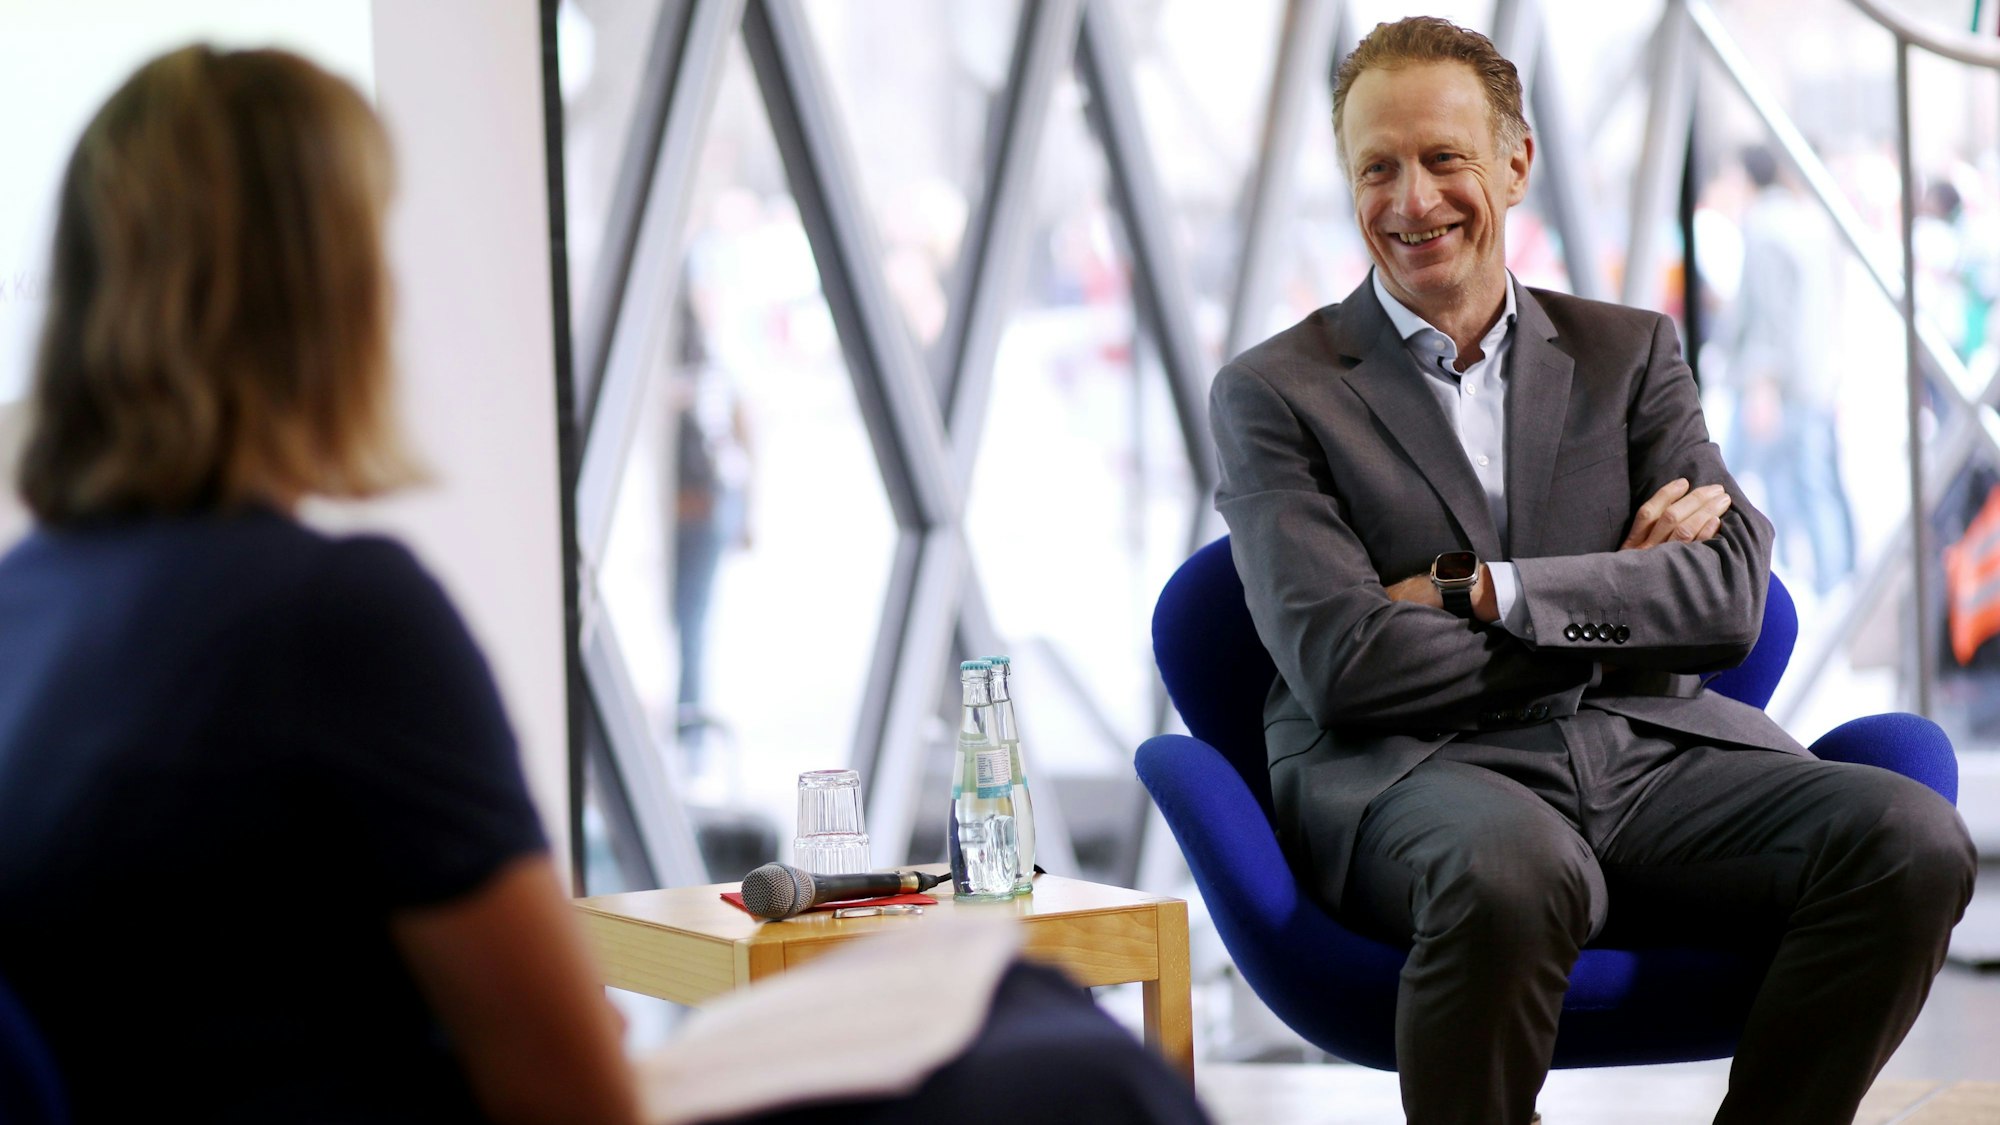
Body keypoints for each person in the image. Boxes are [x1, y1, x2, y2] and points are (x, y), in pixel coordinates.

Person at [0, 45, 1207, 1125]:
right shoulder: (338, 618)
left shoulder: (27, 607)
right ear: (321, 301)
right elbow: (570, 1087)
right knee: (1064, 1062)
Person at [1206, 18, 1976, 1125]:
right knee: (1516, 870)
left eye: (1443, 158)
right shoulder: (1276, 391)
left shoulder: (1628, 352)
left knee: (1910, 841)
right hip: (1409, 774)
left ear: (1516, 163)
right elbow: (1344, 663)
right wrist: (1612, 599)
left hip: (1644, 758)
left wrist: (1491, 589)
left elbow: (1728, 598)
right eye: (1376, 168)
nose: (1411, 200)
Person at [1716, 144, 1854, 596]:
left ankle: (1817, 587)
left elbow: (1769, 315)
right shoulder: (1805, 220)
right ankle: (1834, 583)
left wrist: (1762, 384)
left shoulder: (1765, 227)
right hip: (1813, 377)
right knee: (1812, 481)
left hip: (1782, 386)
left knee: (1773, 483)